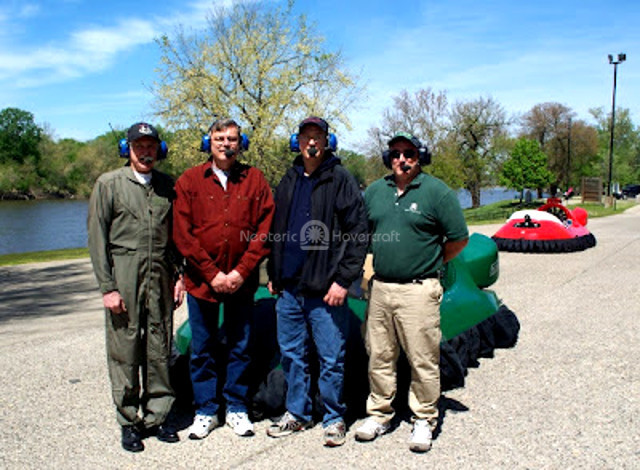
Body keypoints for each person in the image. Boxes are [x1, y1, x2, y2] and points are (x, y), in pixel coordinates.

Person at [355, 132, 469, 453]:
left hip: (419, 290)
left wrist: (430, 263)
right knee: (379, 355)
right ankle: (379, 414)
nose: (401, 159)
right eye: (395, 154)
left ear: (421, 157)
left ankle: (424, 418)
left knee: (423, 358)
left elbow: (459, 239)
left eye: (409, 153)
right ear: (387, 158)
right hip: (380, 288)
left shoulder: (438, 193)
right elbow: (364, 236)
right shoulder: (375, 192)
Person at [266, 116, 368, 447]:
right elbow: (275, 230)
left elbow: (358, 234)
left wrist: (342, 281)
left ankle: (334, 417)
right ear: (298, 141)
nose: (312, 142)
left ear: (327, 142)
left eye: (318, 137)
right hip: (289, 290)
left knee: (331, 357)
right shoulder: (289, 179)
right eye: (306, 136)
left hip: (326, 291)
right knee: (292, 355)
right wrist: (274, 272)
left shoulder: (340, 179)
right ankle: (297, 414)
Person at [172, 118, 274, 440]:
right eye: (219, 138)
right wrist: (212, 273)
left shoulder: (255, 179)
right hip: (202, 283)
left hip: (241, 283)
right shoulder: (189, 180)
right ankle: (205, 410)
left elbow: (264, 229)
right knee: (202, 348)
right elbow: (183, 234)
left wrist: (241, 271)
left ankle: (236, 408)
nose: (226, 144)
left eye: (232, 139)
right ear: (209, 141)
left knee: (240, 347)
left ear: (239, 144)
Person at [88, 122, 185, 452]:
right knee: (125, 349)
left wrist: (179, 277)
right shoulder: (109, 185)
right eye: (138, 146)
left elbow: (176, 240)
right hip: (124, 274)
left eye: (150, 146)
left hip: (160, 274)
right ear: (126, 149)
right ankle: (128, 420)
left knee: (159, 347)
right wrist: (107, 288)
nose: (145, 152)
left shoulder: (167, 186)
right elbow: (97, 239)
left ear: (159, 149)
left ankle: (158, 416)